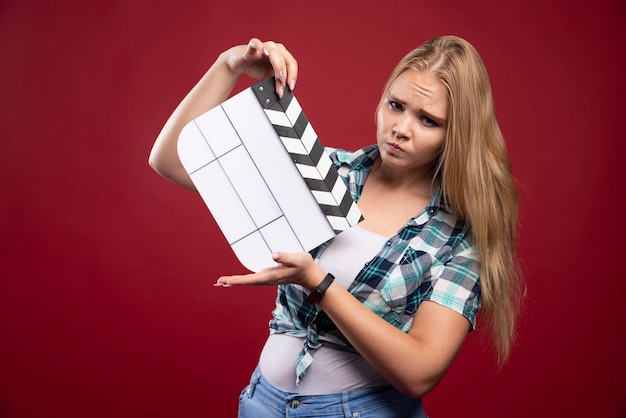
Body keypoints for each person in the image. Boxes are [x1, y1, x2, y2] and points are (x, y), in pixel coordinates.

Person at [149, 35, 522, 417]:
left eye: (428, 120)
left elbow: (419, 372)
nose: (400, 128)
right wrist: (229, 67)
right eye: (396, 105)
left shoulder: (458, 235)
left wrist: (317, 280)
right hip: (262, 404)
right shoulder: (326, 173)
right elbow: (171, 159)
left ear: (456, 134)